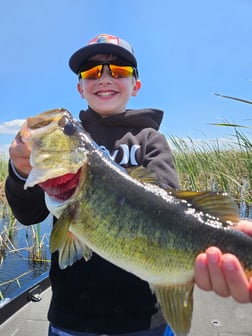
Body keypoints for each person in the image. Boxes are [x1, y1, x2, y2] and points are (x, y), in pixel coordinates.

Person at [5, 34, 252, 336]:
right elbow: (29, 216)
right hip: (72, 317)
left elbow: (168, 207)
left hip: (145, 318)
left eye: (119, 70)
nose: (105, 77)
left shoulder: (150, 141)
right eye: (93, 72)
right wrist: (20, 169)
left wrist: (227, 240)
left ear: (135, 86)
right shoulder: (70, 158)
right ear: (80, 88)